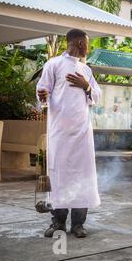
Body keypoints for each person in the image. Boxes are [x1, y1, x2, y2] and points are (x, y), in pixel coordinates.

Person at [37, 29, 101, 239]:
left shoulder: (86, 70)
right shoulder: (53, 64)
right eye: (87, 43)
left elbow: (97, 97)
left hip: (82, 133)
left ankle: (78, 224)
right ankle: (58, 222)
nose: (88, 47)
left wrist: (87, 86)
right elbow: (42, 91)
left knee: (82, 175)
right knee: (60, 175)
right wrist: (42, 95)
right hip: (60, 133)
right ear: (81, 43)